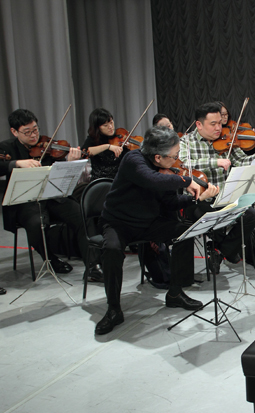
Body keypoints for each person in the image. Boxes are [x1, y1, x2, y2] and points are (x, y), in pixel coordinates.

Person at [96, 126, 219, 335]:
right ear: (157, 157)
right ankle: (113, 309)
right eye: (174, 156)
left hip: (148, 223)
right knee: (112, 250)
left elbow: (170, 202)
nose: (177, 160)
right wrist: (187, 181)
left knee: (185, 232)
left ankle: (175, 293)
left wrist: (196, 198)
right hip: (119, 223)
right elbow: (152, 180)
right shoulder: (133, 160)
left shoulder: (166, 170)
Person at [0, 109, 102, 280]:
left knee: (81, 215)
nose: (34, 135)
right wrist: (16, 163)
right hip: (25, 203)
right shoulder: (6, 148)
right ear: (14, 132)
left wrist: (70, 162)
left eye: (35, 129)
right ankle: (51, 259)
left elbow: (60, 170)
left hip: (52, 198)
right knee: (36, 224)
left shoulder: (47, 145)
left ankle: (93, 267)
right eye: (27, 132)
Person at [179, 102, 255, 266]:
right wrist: (214, 162)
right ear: (199, 124)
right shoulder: (186, 142)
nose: (218, 128)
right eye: (213, 124)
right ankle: (225, 250)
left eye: (220, 123)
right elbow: (182, 165)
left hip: (224, 197)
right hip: (199, 199)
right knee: (210, 218)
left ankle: (221, 251)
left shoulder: (226, 140)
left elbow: (242, 162)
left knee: (251, 216)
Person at [82, 108, 128, 181]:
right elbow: (84, 153)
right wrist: (107, 146)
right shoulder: (93, 140)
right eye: (105, 125)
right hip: (101, 182)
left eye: (111, 122)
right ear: (97, 128)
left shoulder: (119, 137)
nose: (110, 127)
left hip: (119, 181)